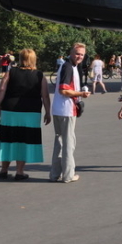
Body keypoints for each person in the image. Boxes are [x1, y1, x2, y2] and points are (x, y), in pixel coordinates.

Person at [0, 49, 51, 181]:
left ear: (20, 58)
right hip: (31, 112)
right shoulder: (39, 75)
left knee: (7, 138)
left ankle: (4, 169)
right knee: (24, 140)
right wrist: (48, 112)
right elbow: (45, 95)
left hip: (10, 110)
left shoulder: (10, 72)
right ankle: (19, 171)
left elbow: (1, 89)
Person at [49, 43, 91, 183]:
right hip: (67, 109)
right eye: (77, 53)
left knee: (60, 142)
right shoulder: (68, 67)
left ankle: (55, 174)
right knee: (68, 143)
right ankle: (68, 175)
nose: (79, 56)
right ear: (71, 53)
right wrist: (82, 93)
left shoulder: (69, 66)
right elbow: (64, 90)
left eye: (82, 54)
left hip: (59, 109)